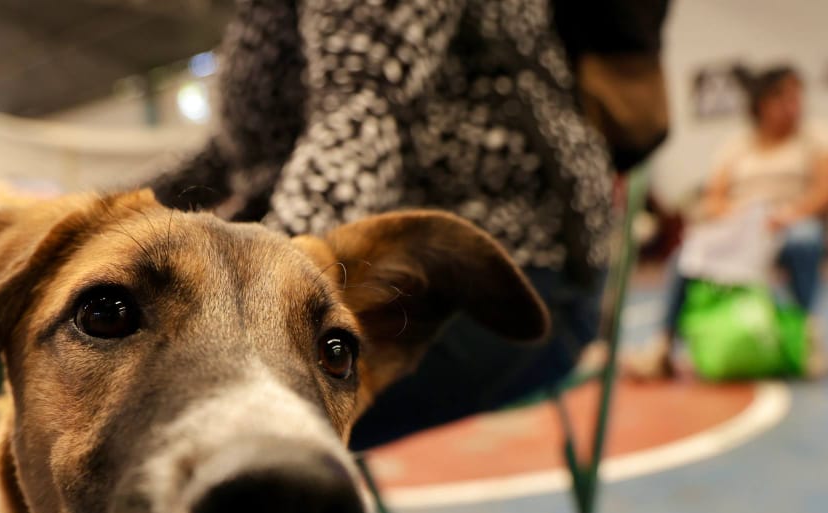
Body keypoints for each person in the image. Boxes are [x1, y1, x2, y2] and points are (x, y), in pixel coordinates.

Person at [149, 0, 667, 450]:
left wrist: (256, 308)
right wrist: (113, 212)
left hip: (516, 273)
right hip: (331, 249)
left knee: (190, 420)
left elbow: (364, 112)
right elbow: (234, 153)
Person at [630, 65, 828, 379]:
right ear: (761, 105)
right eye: (783, 99)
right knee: (684, 257)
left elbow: (824, 194)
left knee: (804, 241)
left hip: (790, 220)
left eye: (797, 98)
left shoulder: (817, 137)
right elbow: (714, 198)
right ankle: (662, 347)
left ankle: (807, 335)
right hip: (742, 224)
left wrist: (786, 215)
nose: (792, 107)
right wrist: (738, 217)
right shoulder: (736, 145)